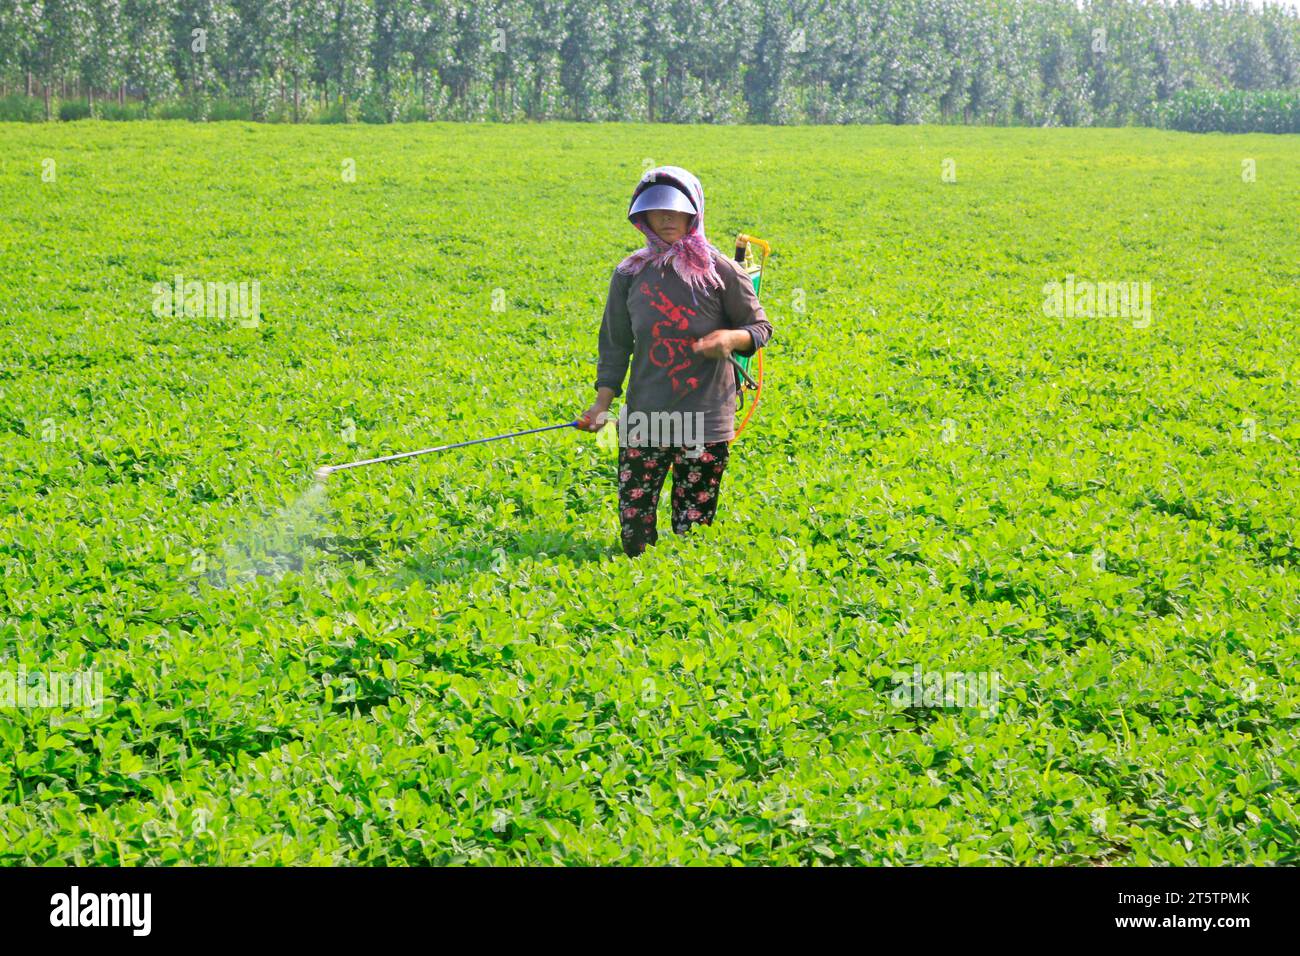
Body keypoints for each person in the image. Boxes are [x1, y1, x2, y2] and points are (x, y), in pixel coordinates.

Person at [578, 165, 773, 557]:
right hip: (645, 417)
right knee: (634, 534)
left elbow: (760, 328)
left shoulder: (721, 272)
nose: (667, 218)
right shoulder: (630, 274)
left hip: (705, 418)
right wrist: (601, 405)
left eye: (676, 210)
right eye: (657, 210)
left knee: (694, 535)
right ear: (642, 217)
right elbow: (615, 345)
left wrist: (730, 338)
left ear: (693, 213)